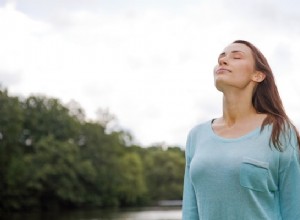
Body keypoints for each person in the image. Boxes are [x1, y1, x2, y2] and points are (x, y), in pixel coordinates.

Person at [182, 40, 300, 220]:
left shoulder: (279, 131)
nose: (223, 61)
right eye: (221, 58)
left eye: (236, 57)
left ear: (258, 75)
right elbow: (190, 212)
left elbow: (294, 210)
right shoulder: (196, 136)